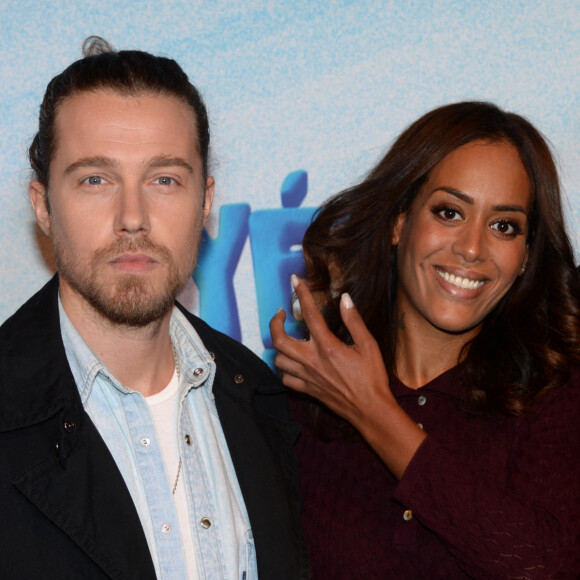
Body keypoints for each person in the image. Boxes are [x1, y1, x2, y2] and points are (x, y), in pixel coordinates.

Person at [0, 37, 308, 580]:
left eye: (164, 179)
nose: (133, 216)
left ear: (206, 201)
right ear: (43, 206)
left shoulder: (267, 404)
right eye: (96, 179)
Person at [270, 101, 580, 579]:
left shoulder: (555, 396)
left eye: (504, 225)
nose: (472, 248)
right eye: (450, 212)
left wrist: (375, 414)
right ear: (399, 222)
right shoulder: (304, 402)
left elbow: (543, 567)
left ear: (525, 256)